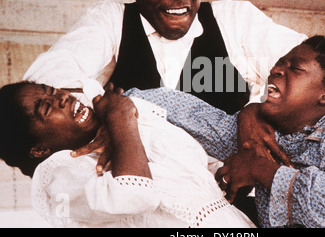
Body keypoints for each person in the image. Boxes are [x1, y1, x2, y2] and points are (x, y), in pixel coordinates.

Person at [117, 36, 325, 228]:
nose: (276, 70)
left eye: (295, 68)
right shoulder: (261, 135)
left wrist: (260, 170)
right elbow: (194, 115)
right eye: (279, 63)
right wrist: (122, 101)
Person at [23, 0, 306, 114]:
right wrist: (107, 108)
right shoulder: (111, 21)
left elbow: (310, 64)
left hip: (231, 198)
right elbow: (44, 77)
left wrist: (259, 112)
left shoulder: (234, 18)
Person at [0, 82, 255, 228]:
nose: (62, 98)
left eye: (53, 91)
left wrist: (228, 173)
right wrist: (120, 117)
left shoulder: (132, 126)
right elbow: (135, 195)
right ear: (38, 150)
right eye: (47, 107)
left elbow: (195, 175)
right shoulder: (59, 174)